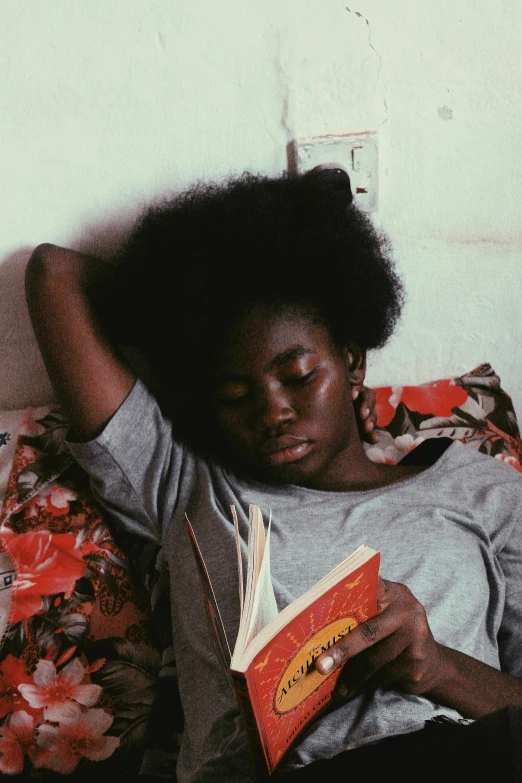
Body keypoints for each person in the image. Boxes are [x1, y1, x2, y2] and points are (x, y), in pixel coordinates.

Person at [25, 168, 522, 783]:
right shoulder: (185, 481)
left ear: (352, 360)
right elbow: (54, 276)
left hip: (458, 758)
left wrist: (437, 667)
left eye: (298, 376)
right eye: (235, 394)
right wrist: (179, 305)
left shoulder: (484, 491)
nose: (273, 412)